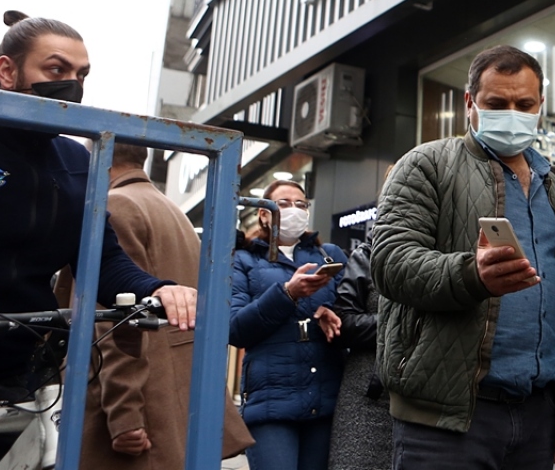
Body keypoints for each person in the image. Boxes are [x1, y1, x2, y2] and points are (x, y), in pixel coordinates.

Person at [0, 11, 198, 470]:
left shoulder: (77, 161)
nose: (72, 86)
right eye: (56, 69)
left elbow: (102, 260)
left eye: (82, 75)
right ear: (6, 71)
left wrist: (159, 289)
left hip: (17, 363)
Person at [371, 45, 555, 470]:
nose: (512, 114)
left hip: (537, 413)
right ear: (469, 102)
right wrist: (471, 275)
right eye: (496, 104)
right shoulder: (427, 165)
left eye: (525, 105)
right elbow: (390, 261)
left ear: (541, 105)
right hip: (445, 417)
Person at [58, 142, 253, 468]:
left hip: (143, 403)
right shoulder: (171, 210)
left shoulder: (117, 206)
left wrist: (125, 415)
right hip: (177, 400)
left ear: (101, 160)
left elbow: (116, 320)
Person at [230, 180, 348, 470]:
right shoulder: (244, 259)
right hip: (271, 403)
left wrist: (332, 312)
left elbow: (355, 309)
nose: (293, 210)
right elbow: (235, 329)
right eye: (283, 203)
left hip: (325, 399)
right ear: (264, 214)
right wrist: (287, 294)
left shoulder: (329, 255)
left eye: (301, 204)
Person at [327, 170, 394, 470]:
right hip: (368, 396)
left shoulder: (446, 253)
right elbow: (344, 323)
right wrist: (402, 323)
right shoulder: (366, 255)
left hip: (426, 399)